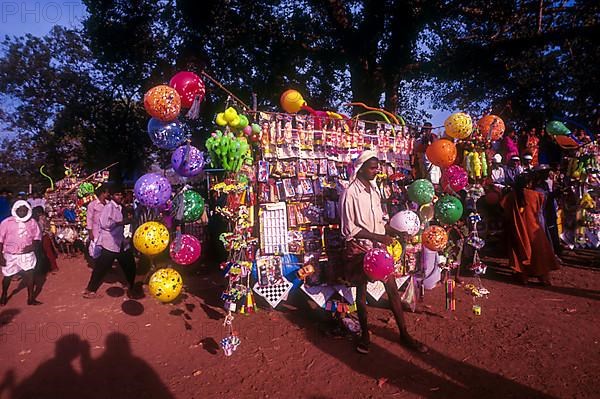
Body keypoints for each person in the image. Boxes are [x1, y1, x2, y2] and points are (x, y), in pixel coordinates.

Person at [340, 150, 427, 354]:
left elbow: (380, 223)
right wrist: (379, 238)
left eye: (377, 166)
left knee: (392, 289)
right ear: (360, 168)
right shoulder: (350, 193)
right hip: (359, 248)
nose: (376, 170)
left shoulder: (374, 191)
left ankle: (404, 335)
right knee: (360, 293)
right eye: (372, 167)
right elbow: (348, 230)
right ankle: (365, 336)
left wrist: (396, 233)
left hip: (377, 248)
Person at [500, 174, 560, 285]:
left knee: (519, 251)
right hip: (534, 227)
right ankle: (544, 278)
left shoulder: (511, 196)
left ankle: (523, 276)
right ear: (528, 184)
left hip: (517, 227)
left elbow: (505, 210)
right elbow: (539, 209)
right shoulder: (536, 195)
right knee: (539, 252)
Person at [82, 186, 137, 299]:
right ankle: (89, 290)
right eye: (117, 194)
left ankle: (131, 287)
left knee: (129, 264)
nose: (120, 196)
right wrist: (121, 223)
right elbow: (105, 223)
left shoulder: (119, 207)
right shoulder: (109, 207)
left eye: (121, 194)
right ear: (112, 196)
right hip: (109, 243)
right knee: (101, 267)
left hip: (118, 242)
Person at [0, 200, 42, 305]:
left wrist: (32, 246)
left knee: (30, 274)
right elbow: (0, 239)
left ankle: (31, 299)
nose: (22, 212)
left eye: (25, 210)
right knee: (7, 276)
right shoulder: (6, 222)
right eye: (20, 210)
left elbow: (37, 237)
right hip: (10, 255)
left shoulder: (32, 222)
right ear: (15, 210)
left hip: (27, 254)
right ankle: (4, 295)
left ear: (28, 210)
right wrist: (0, 255)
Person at [86, 185, 110, 260]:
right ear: (102, 193)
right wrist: (90, 233)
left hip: (107, 231)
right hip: (96, 231)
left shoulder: (109, 204)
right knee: (96, 250)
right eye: (107, 193)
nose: (108, 194)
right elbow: (89, 219)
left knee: (107, 250)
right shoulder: (92, 205)